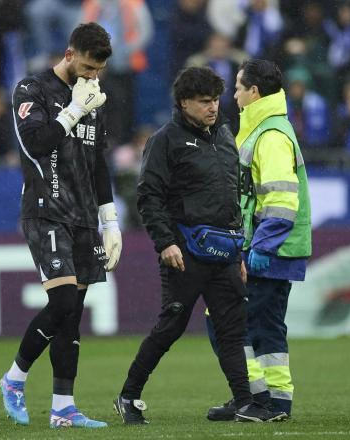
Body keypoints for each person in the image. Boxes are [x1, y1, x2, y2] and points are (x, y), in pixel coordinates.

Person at [112, 66, 288, 425]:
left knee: (232, 329)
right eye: (204, 101)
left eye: (216, 100)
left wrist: (238, 250)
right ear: (183, 103)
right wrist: (165, 243)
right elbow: (149, 196)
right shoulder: (166, 140)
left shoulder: (224, 134)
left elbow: (231, 199)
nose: (213, 107)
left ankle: (245, 402)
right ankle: (128, 396)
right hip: (184, 252)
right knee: (170, 327)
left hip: (224, 252)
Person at [0, 22, 122, 429]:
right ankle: (14, 379)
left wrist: (111, 219)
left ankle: (63, 408)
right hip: (45, 208)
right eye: (86, 67)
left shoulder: (95, 97)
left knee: (72, 316)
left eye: (98, 71)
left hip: (85, 217)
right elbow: (36, 144)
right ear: (69, 55)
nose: (92, 77)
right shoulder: (31, 91)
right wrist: (73, 110)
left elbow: (98, 161)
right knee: (64, 302)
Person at [206, 59, 312, 421]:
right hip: (269, 248)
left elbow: (282, 199)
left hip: (267, 250)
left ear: (254, 92)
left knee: (226, 321)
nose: (232, 94)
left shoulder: (269, 136)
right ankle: (273, 402)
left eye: (237, 87)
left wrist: (260, 250)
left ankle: (256, 399)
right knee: (266, 329)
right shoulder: (266, 129)